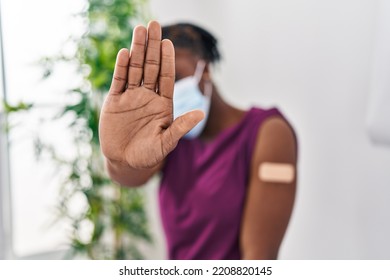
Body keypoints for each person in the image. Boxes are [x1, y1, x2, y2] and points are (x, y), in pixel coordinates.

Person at [99, 20, 298, 260]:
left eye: (174, 77)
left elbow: (259, 260)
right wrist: (119, 156)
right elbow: (131, 176)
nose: (166, 93)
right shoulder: (170, 137)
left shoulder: (269, 133)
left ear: (204, 71)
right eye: (158, 84)